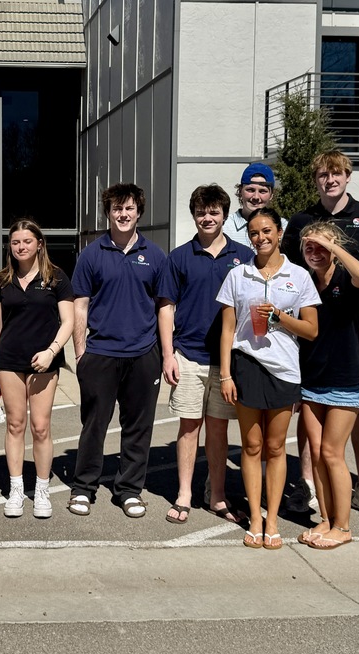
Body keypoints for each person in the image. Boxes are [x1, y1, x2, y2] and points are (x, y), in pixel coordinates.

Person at [283, 150, 359, 520]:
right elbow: (287, 269)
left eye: (337, 173)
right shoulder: (301, 220)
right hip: (312, 330)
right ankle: (308, 485)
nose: (330, 180)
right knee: (309, 406)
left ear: (347, 176)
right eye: (324, 174)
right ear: (316, 179)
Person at [217, 207, 320, 550]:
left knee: (275, 448)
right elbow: (228, 329)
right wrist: (226, 374)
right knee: (251, 446)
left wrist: (279, 317)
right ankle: (256, 519)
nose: (260, 238)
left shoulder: (299, 276)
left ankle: (272, 519)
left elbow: (311, 330)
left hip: (284, 369)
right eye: (254, 233)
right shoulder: (238, 275)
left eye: (266, 231)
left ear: (279, 233)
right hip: (247, 364)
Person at [67, 183, 167, 519]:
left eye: (128, 209)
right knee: (94, 424)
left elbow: (164, 306)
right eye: (116, 209)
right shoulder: (92, 255)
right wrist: (80, 353)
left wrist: (164, 355)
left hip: (142, 353)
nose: (122, 215)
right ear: (108, 213)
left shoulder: (154, 256)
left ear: (139, 212)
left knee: (138, 427)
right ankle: (83, 488)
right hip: (101, 352)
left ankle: (129, 491)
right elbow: (80, 305)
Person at [159, 185, 253, 524]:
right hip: (188, 354)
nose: (207, 217)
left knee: (218, 429)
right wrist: (168, 354)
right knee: (188, 426)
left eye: (214, 211)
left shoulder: (244, 255)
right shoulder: (180, 257)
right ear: (194, 215)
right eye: (201, 212)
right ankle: (184, 493)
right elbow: (166, 307)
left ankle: (216, 496)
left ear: (225, 215)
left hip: (227, 360)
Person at [0, 219, 75, 519]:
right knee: (14, 425)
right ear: (9, 246)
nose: (21, 246)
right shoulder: (1, 281)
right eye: (15, 242)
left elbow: (69, 322)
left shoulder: (56, 278)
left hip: (44, 364)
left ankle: (41, 489)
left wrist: (52, 352)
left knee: (40, 427)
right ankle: (15, 489)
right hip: (9, 362)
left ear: (39, 244)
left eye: (26, 241)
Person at [296, 221, 359, 550]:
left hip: (344, 379)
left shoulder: (346, 279)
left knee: (332, 452)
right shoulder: (306, 283)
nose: (315, 253)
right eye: (308, 248)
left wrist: (332, 246)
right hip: (312, 379)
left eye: (320, 247)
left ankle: (343, 526)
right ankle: (326, 520)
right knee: (316, 453)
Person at [224, 163, 285, 248]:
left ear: (271, 195)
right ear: (240, 191)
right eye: (250, 190)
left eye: (262, 191)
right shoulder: (225, 227)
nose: (256, 197)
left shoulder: (283, 226)